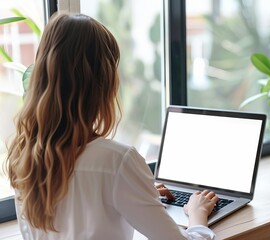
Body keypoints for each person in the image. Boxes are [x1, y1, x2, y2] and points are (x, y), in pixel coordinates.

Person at [6, 12, 219, 240]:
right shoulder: (117, 161)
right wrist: (197, 215)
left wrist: (138, 194)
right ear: (102, 85)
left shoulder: (25, 155)